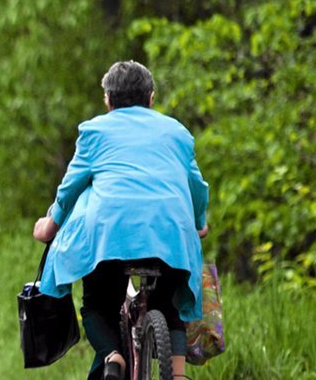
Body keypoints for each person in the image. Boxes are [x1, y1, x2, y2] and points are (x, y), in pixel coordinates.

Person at [32, 60, 209, 380]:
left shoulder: (95, 131)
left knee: (97, 304)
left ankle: (113, 357)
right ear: (151, 98)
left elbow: (71, 186)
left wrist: (51, 224)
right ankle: (179, 375)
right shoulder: (177, 133)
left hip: (109, 236)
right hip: (170, 235)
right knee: (169, 305)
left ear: (108, 100)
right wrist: (199, 222)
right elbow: (197, 187)